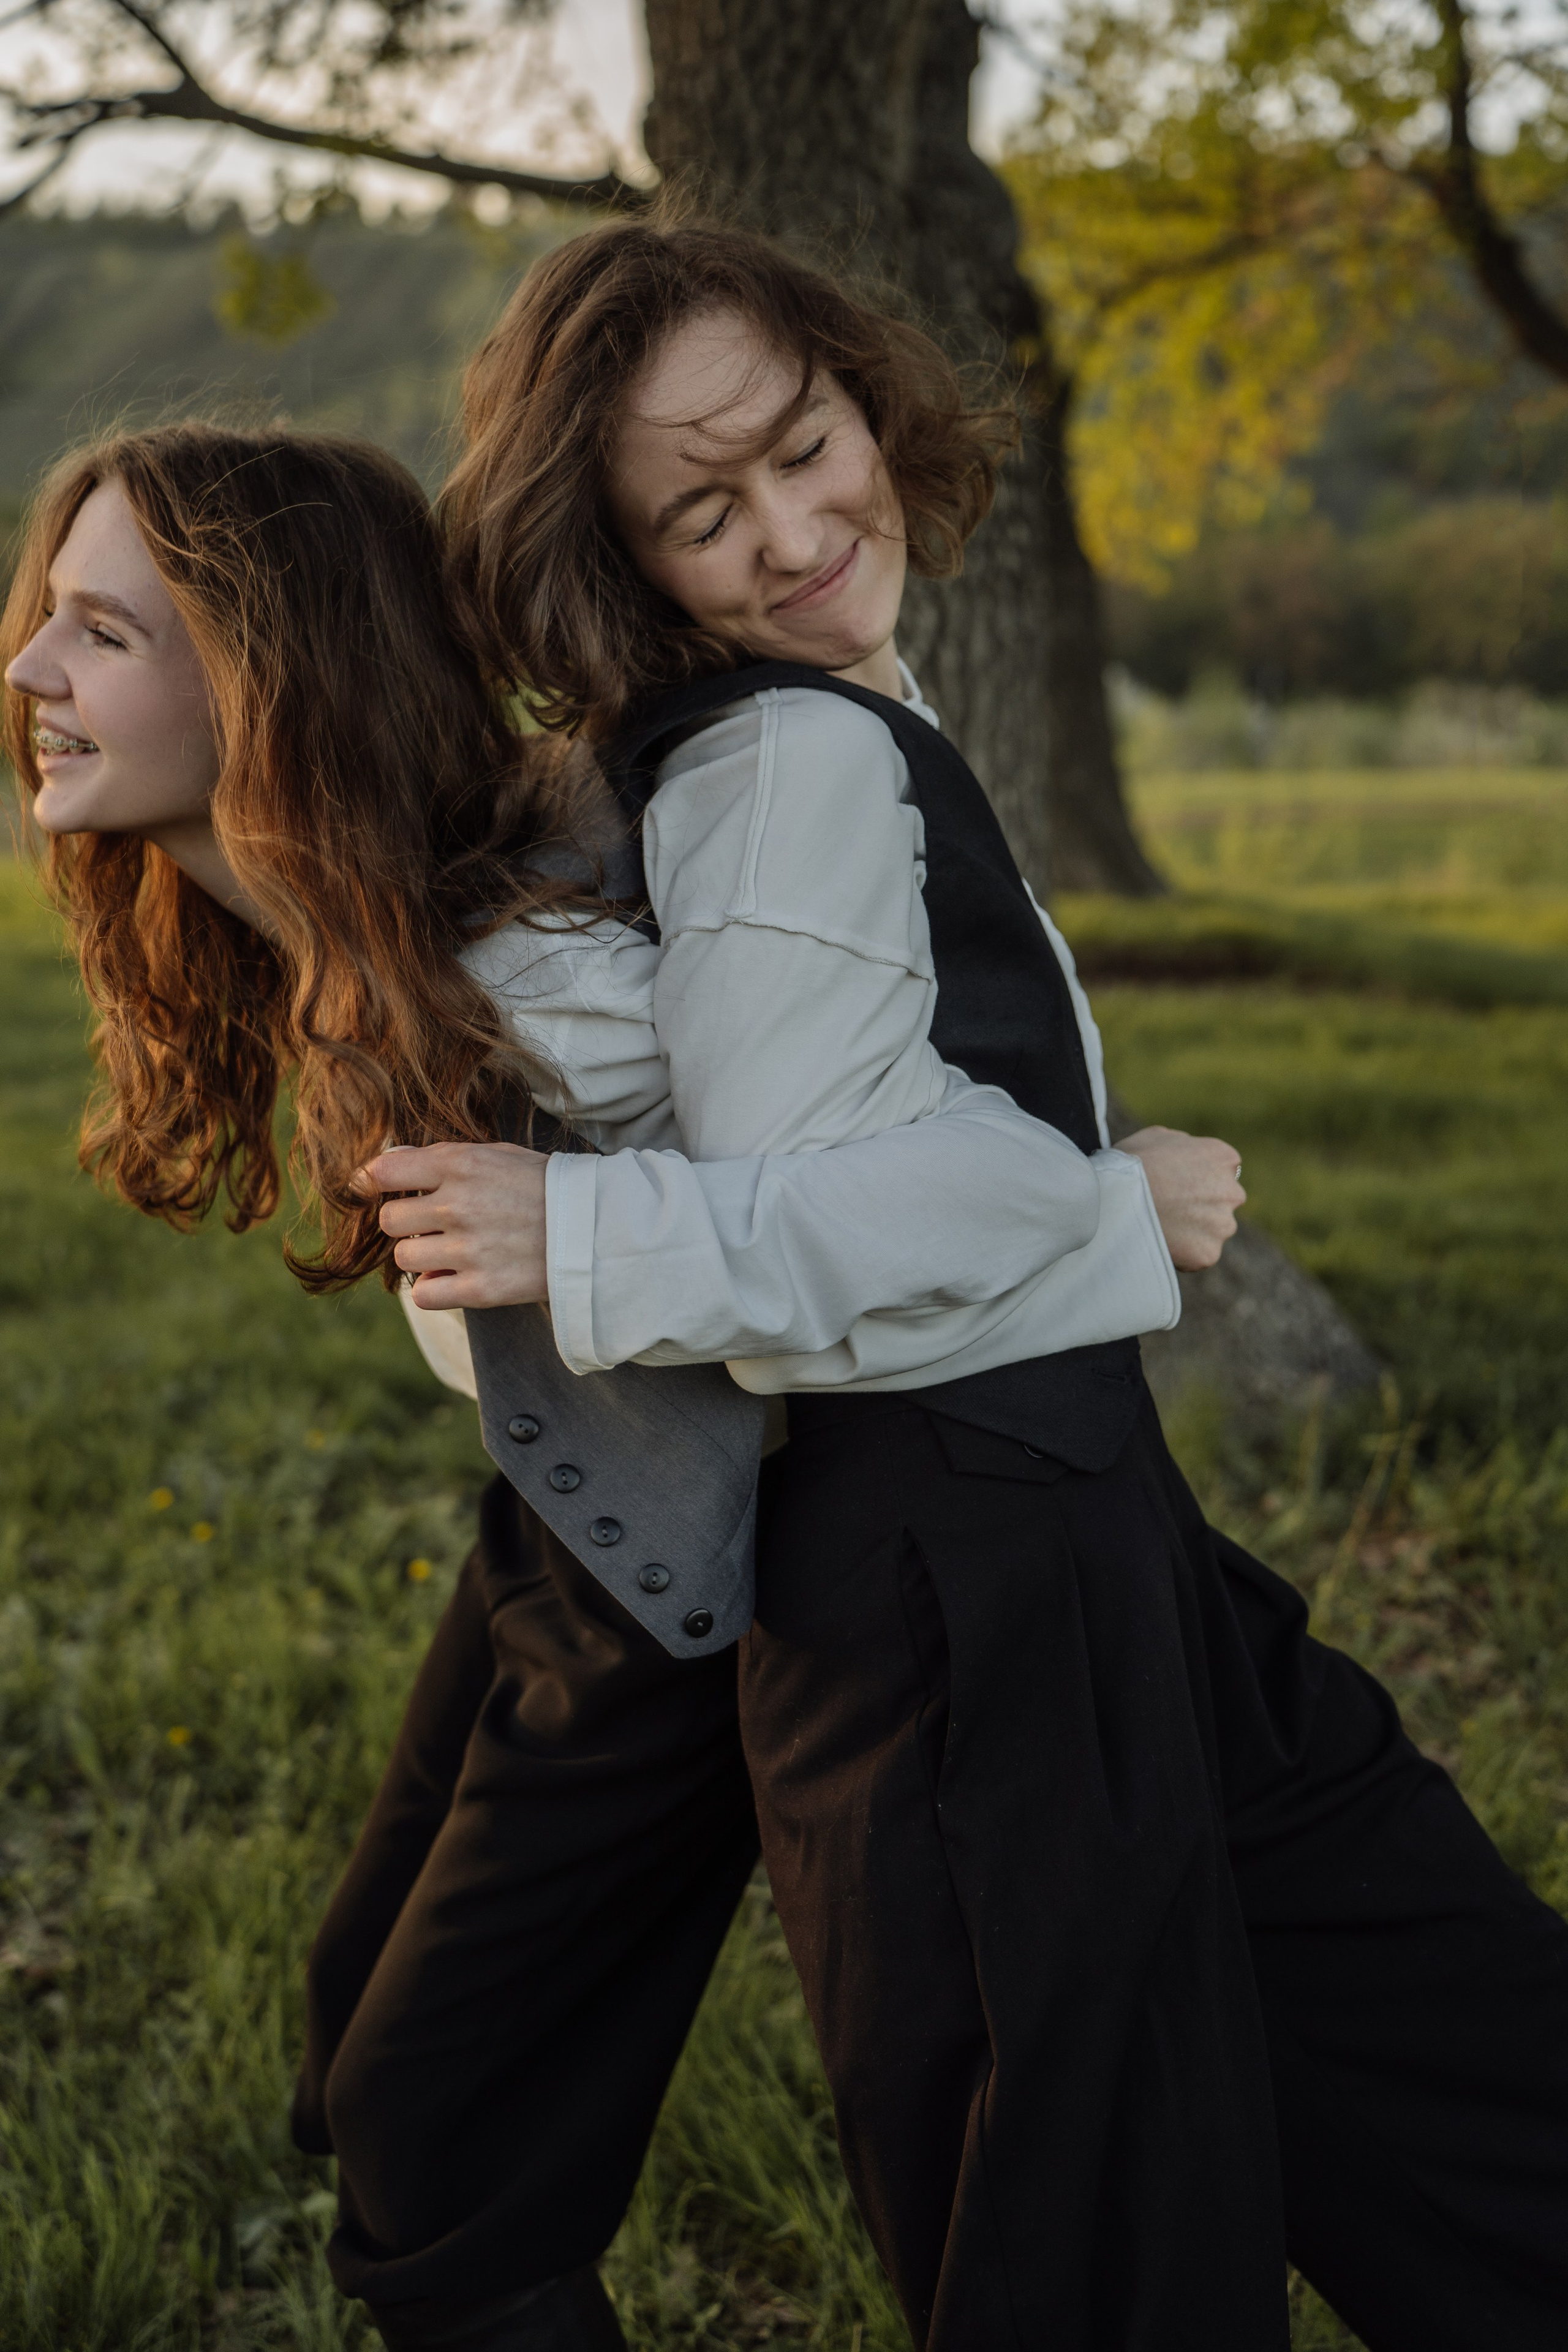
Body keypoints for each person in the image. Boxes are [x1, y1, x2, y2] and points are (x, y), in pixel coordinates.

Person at [362, 215, 1568, 2352]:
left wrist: (1079, 1195)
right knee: (1089, 2225)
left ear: (863, 390)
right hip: (948, 1598)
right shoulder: (784, 761)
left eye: (809, 445)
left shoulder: (806, 728)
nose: (798, 533)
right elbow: (803, 1205)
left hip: (1071, 1538)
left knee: (1439, 2034)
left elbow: (748, 1127)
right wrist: (1105, 1211)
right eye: (701, 514)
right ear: (626, 567)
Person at [1, 420, 1237, 2350]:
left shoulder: (528, 973)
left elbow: (902, 1181)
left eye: (100, 632)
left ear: (270, 670)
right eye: (44, 621)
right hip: (573, 1517)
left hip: (733, 1569)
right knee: (367, 2052)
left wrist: (1109, 1209)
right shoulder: (332, 927)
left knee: (440, 2145)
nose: (31, 675)